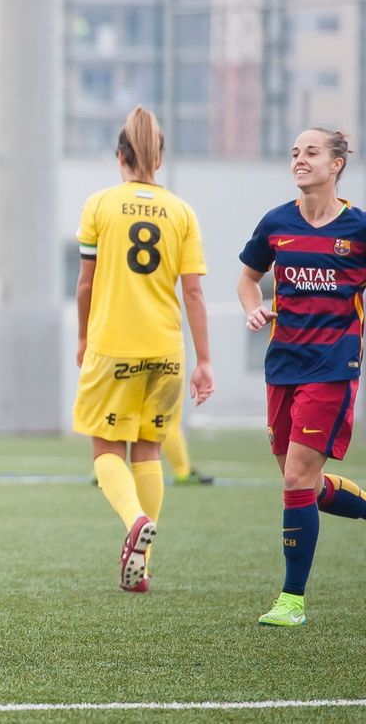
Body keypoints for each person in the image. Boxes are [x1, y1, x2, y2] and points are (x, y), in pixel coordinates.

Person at [73, 105, 214, 595]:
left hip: (114, 347)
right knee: (149, 450)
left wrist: (83, 337)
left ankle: (133, 520)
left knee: (105, 449)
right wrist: (205, 361)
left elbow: (86, 284)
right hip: (167, 350)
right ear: (159, 156)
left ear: (120, 155)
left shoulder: (100, 205)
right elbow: (193, 293)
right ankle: (143, 564)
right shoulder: (181, 211)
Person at [238, 127, 366, 627]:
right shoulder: (276, 223)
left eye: (311, 152)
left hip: (332, 367)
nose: (299, 159)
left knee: (296, 479)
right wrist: (254, 308)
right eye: (294, 152)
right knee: (303, 488)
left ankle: (292, 600)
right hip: (283, 365)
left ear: (336, 164)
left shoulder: (357, 229)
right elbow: (248, 277)